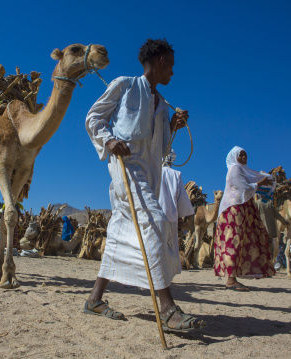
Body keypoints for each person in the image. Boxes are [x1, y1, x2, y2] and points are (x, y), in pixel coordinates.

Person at [85, 38, 205, 332]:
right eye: (172, 66)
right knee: (154, 221)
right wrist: (109, 140)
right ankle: (167, 310)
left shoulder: (163, 104)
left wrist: (172, 127)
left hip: (148, 175)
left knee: (119, 234)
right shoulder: (125, 85)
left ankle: (94, 299)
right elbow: (93, 117)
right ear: (161, 60)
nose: (173, 73)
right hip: (126, 169)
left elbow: (160, 150)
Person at [214, 146, 275, 291]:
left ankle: (233, 277)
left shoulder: (243, 171)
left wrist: (264, 181)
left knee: (241, 241)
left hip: (242, 209)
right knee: (234, 241)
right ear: (234, 156)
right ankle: (231, 279)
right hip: (234, 210)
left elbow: (250, 183)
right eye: (240, 155)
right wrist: (261, 183)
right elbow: (244, 189)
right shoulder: (235, 169)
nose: (243, 158)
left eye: (245, 155)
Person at [158, 149, 194, 273]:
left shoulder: (152, 172)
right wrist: (180, 216)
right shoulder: (176, 174)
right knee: (168, 248)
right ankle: (165, 276)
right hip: (171, 216)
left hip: (153, 215)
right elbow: (181, 198)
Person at [255, 193, 289, 262]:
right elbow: (277, 215)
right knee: (270, 248)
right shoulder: (269, 204)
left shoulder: (256, 204)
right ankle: (269, 264)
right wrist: (284, 222)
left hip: (260, 230)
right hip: (270, 230)